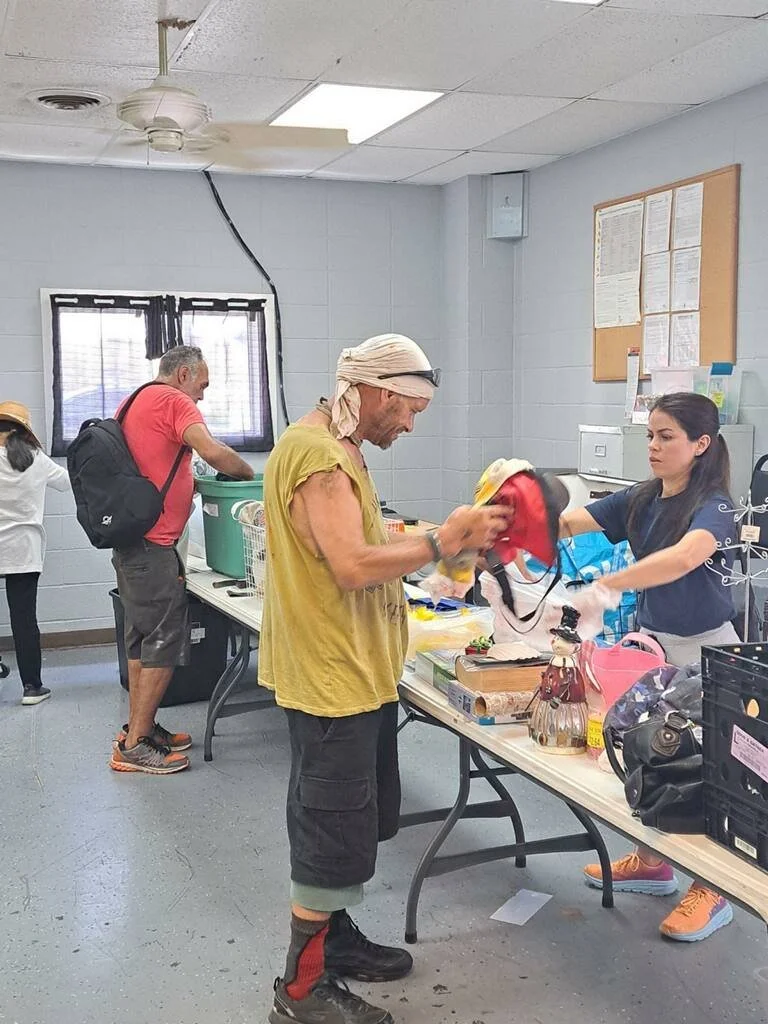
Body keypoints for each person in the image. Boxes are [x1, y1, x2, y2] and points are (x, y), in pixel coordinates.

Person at [259, 334, 514, 1024]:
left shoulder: (337, 449)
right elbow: (350, 565)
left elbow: (361, 540)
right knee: (329, 831)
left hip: (350, 671)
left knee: (345, 823)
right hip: (332, 677)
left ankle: (335, 941)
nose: (410, 424)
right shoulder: (320, 457)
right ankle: (301, 992)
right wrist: (442, 542)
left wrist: (438, 537)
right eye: (408, 409)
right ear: (376, 391)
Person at [562, 392, 737, 943]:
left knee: (708, 771)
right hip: (651, 651)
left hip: (705, 652)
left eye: (666, 437)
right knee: (648, 758)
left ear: (701, 444)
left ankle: (714, 889)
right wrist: (505, 522)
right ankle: (654, 863)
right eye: (650, 436)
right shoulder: (640, 498)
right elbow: (568, 523)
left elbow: (685, 556)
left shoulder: (717, 506)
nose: (654, 447)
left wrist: (610, 584)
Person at [110, 345, 254, 776]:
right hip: (153, 546)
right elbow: (211, 451)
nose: (203, 395)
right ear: (184, 374)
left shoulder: (134, 400)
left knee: (141, 639)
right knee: (162, 642)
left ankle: (141, 728)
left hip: (134, 542)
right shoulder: (173, 400)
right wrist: (248, 477)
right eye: (202, 385)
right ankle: (135, 746)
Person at [0, 401, 70, 705]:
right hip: (23, 549)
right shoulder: (36, 459)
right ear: (24, 430)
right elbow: (66, 483)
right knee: (24, 620)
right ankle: (32, 687)